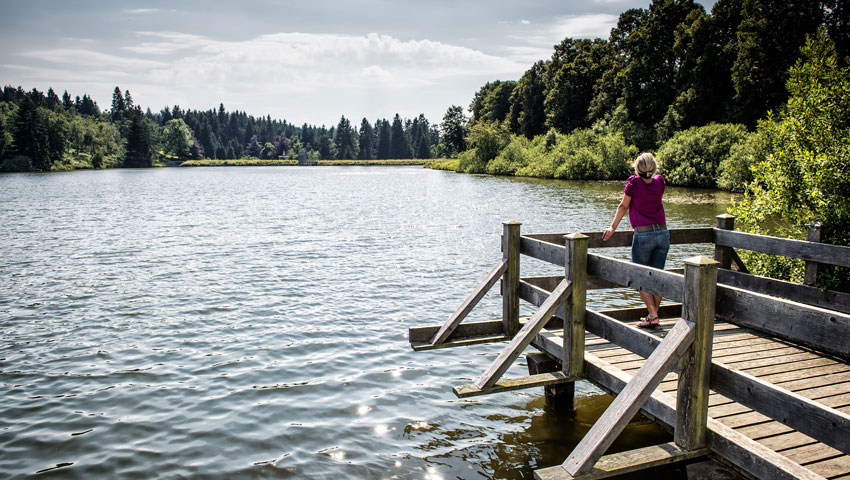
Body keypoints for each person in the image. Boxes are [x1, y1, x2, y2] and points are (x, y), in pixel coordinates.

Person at [601, 152, 669, 328]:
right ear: (654, 168)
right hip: (663, 233)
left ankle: (653, 315)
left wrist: (612, 227)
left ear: (637, 168)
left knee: (639, 276)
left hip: (644, 234)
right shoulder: (660, 181)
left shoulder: (634, 182)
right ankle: (652, 315)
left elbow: (624, 206)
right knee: (657, 275)